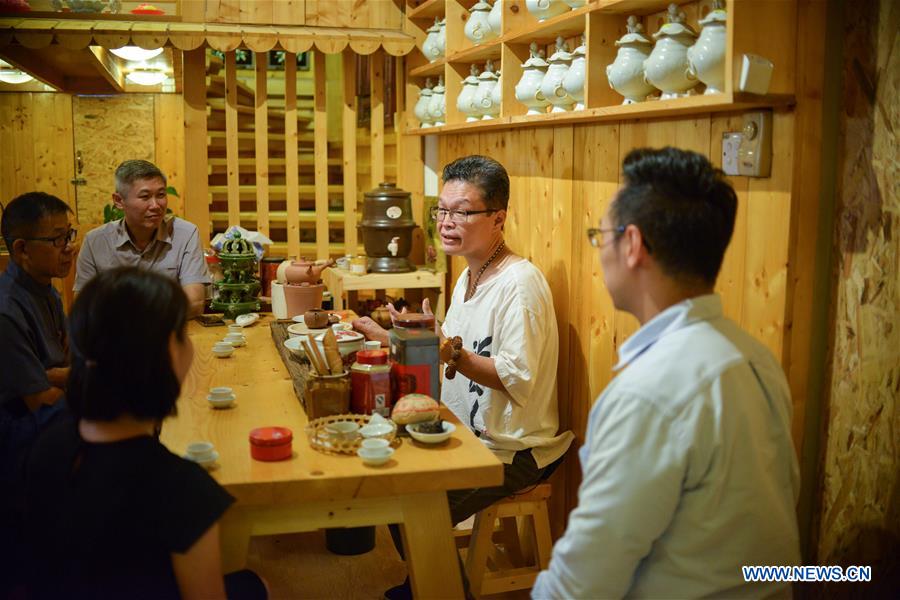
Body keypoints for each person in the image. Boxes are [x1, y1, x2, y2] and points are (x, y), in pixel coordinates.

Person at [532, 147, 801, 598]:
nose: (600, 255)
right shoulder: (755, 356)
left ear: (633, 245)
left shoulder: (647, 394)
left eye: (600, 237)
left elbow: (581, 585)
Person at [354, 155, 573, 598]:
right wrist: (396, 337)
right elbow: (450, 351)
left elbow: (517, 378)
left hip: (515, 448)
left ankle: (440, 586)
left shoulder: (520, 284)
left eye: (462, 211)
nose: (447, 223)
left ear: (498, 218)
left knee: (414, 504)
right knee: (389, 479)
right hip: (464, 433)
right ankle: (434, 582)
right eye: (442, 210)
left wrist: (445, 349)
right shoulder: (467, 275)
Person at [23, 267, 266, 600]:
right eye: (183, 333)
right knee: (257, 584)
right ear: (168, 353)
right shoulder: (182, 488)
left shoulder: (48, 443)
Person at [0, 191, 75, 594]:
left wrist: (58, 375)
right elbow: (40, 399)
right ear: (22, 249)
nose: (69, 247)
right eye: (59, 239)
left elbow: (62, 366)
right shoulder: (6, 309)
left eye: (70, 234)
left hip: (42, 408)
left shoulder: (44, 286)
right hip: (20, 433)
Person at [74, 159, 209, 317]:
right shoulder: (96, 241)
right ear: (119, 201)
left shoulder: (185, 234)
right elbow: (82, 307)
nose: (155, 205)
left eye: (161, 195)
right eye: (145, 197)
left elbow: (194, 303)